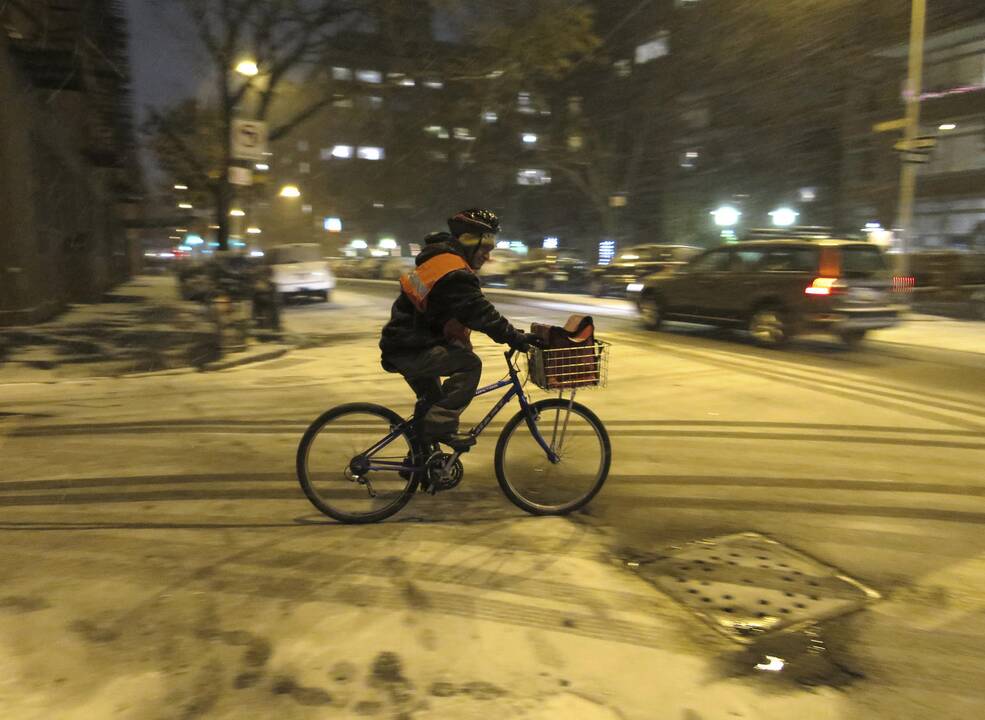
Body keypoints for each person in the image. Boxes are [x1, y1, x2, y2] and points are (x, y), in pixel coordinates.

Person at [379, 209, 536, 449]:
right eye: (485, 250)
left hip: (407, 343)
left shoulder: (440, 261)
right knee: (470, 364)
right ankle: (438, 428)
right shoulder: (453, 271)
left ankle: (421, 461)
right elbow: (479, 313)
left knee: (433, 402)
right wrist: (515, 338)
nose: (488, 257)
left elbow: (445, 312)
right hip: (410, 347)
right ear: (470, 243)